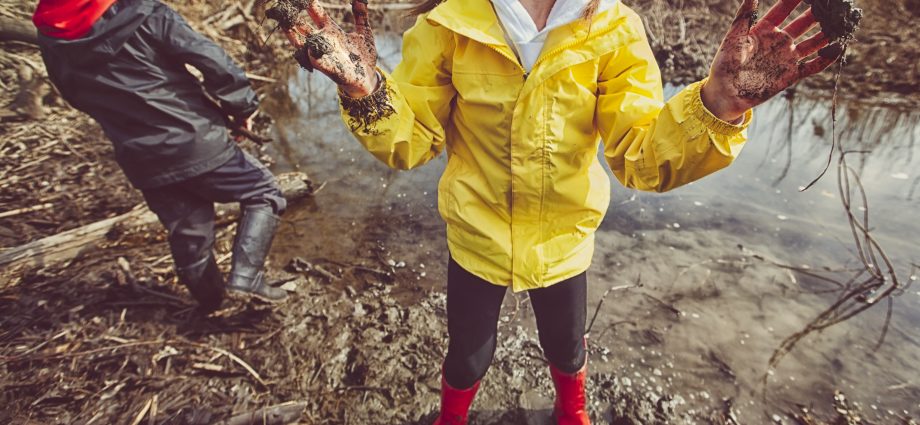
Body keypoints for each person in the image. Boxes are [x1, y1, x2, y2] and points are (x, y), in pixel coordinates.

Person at [273, 0, 839, 422]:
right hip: (477, 235)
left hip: (564, 238)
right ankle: (452, 417)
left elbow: (640, 156)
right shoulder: (446, 25)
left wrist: (718, 105)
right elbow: (412, 139)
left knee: (565, 345)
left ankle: (573, 413)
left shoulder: (615, 29)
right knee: (468, 353)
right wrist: (365, 90)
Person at [33, 0, 290, 311]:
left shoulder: (51, 38)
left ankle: (213, 305)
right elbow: (211, 58)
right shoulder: (142, 11)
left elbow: (74, 94)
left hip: (140, 157)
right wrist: (242, 106)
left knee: (188, 231)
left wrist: (124, 117)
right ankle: (247, 277)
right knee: (263, 192)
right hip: (194, 138)